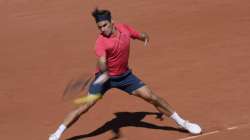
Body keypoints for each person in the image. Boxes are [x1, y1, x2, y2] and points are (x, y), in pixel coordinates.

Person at [49, 8, 202, 140]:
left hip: (125, 77)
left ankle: (183, 123)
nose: (102, 29)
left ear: (112, 22)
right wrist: (104, 72)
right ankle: (57, 134)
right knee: (84, 106)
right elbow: (102, 61)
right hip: (104, 79)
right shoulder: (101, 42)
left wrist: (144, 37)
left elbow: (139, 35)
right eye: (99, 27)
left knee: (152, 97)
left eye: (104, 25)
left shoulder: (125, 29)